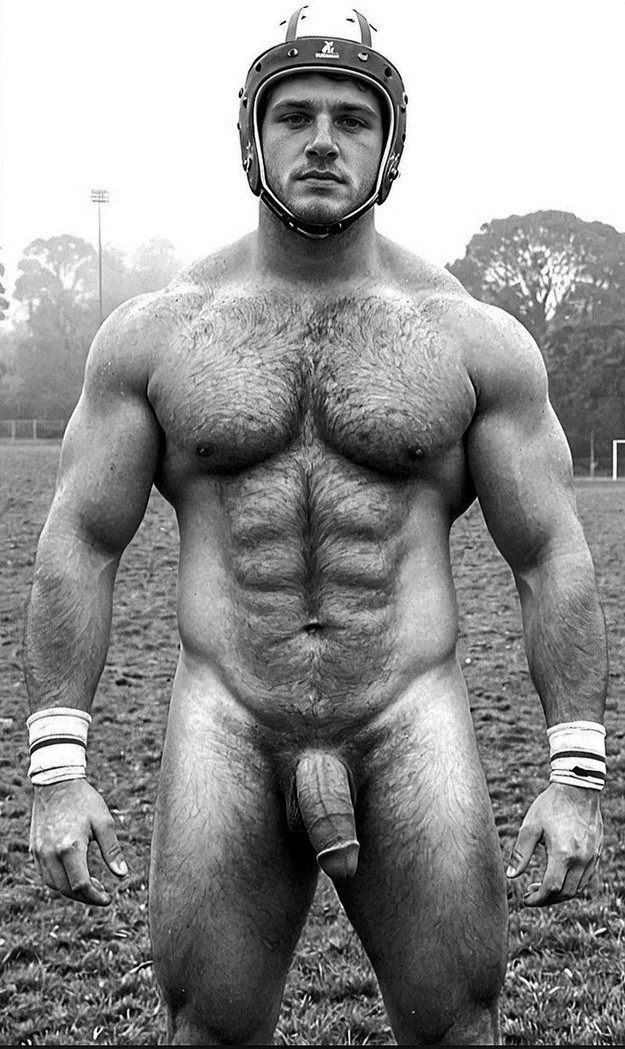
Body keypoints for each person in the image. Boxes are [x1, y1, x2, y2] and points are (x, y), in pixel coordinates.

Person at [23, 5, 608, 1045]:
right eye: (293, 115)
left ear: (391, 148)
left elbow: (549, 555)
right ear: (250, 139)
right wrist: (57, 765)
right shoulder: (159, 334)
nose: (324, 140)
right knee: (209, 1028)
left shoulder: (470, 340)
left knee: (457, 1026)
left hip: (408, 716)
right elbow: (81, 541)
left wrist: (575, 775)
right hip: (227, 718)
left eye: (353, 118)